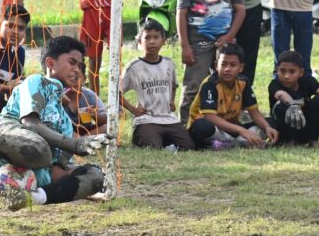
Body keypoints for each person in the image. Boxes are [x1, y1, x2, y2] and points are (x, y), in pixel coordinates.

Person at [0, 36, 108, 211]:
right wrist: (75, 144)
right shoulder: (37, 82)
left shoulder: (65, 122)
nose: (77, 69)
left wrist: (76, 175)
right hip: (7, 140)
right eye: (72, 62)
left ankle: (31, 197)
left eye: (80, 65)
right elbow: (30, 123)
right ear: (50, 63)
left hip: (35, 167)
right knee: (41, 149)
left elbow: (57, 165)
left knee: (96, 175)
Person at [177, 0, 245, 125]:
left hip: (225, 45)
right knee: (193, 85)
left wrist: (230, 35)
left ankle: (227, 125)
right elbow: (181, 14)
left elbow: (240, 11)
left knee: (227, 84)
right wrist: (185, 46)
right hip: (197, 43)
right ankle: (184, 127)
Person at [121, 20, 195, 151]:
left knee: (188, 147)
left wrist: (172, 101)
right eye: (147, 37)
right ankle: (147, 138)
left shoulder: (168, 64)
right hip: (146, 120)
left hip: (168, 119)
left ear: (164, 41)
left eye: (156, 37)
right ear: (139, 41)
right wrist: (133, 109)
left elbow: (173, 85)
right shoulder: (133, 67)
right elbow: (116, 93)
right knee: (151, 147)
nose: (152, 42)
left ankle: (166, 143)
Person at [187, 44, 278, 149]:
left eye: (233, 65)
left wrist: (267, 127)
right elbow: (209, 117)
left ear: (241, 67)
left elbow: (254, 113)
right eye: (224, 64)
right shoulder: (210, 83)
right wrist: (241, 131)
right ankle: (241, 143)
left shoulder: (243, 82)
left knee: (271, 123)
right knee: (202, 127)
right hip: (213, 128)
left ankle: (230, 144)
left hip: (230, 127)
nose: (227, 69)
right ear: (216, 65)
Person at [268, 50, 319, 146]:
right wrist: (292, 104)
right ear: (276, 70)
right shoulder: (274, 84)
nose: (287, 76)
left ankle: (313, 140)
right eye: (282, 71)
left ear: (301, 72)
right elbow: (281, 94)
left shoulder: (307, 80)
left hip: (305, 127)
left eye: (292, 71)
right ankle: (288, 142)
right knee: (281, 106)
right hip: (284, 130)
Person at [63, 64, 107, 137]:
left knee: (107, 127)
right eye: (70, 78)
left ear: (84, 79)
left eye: (76, 78)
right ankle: (80, 141)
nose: (73, 81)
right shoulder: (60, 95)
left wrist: (94, 115)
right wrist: (59, 104)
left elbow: (106, 119)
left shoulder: (89, 95)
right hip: (66, 131)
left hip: (87, 132)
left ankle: (81, 140)